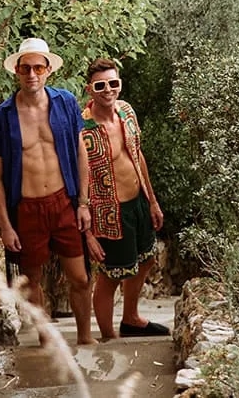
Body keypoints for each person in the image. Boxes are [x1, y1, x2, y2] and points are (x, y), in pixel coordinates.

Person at [0, 38, 95, 344]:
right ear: (16, 71)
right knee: (31, 280)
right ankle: (50, 344)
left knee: (81, 277)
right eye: (25, 68)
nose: (31, 73)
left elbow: (81, 153)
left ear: (48, 71)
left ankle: (85, 338)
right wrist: (6, 226)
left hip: (63, 203)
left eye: (38, 67)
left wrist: (83, 203)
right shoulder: (1, 118)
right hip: (27, 209)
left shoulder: (66, 103)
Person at [80, 58, 168, 340]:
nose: (109, 90)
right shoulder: (82, 129)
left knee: (146, 261)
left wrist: (152, 201)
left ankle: (131, 318)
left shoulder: (126, 112)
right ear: (89, 90)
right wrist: (89, 233)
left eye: (113, 83)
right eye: (101, 85)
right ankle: (109, 338)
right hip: (108, 213)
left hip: (138, 203)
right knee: (110, 276)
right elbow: (76, 181)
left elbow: (137, 155)